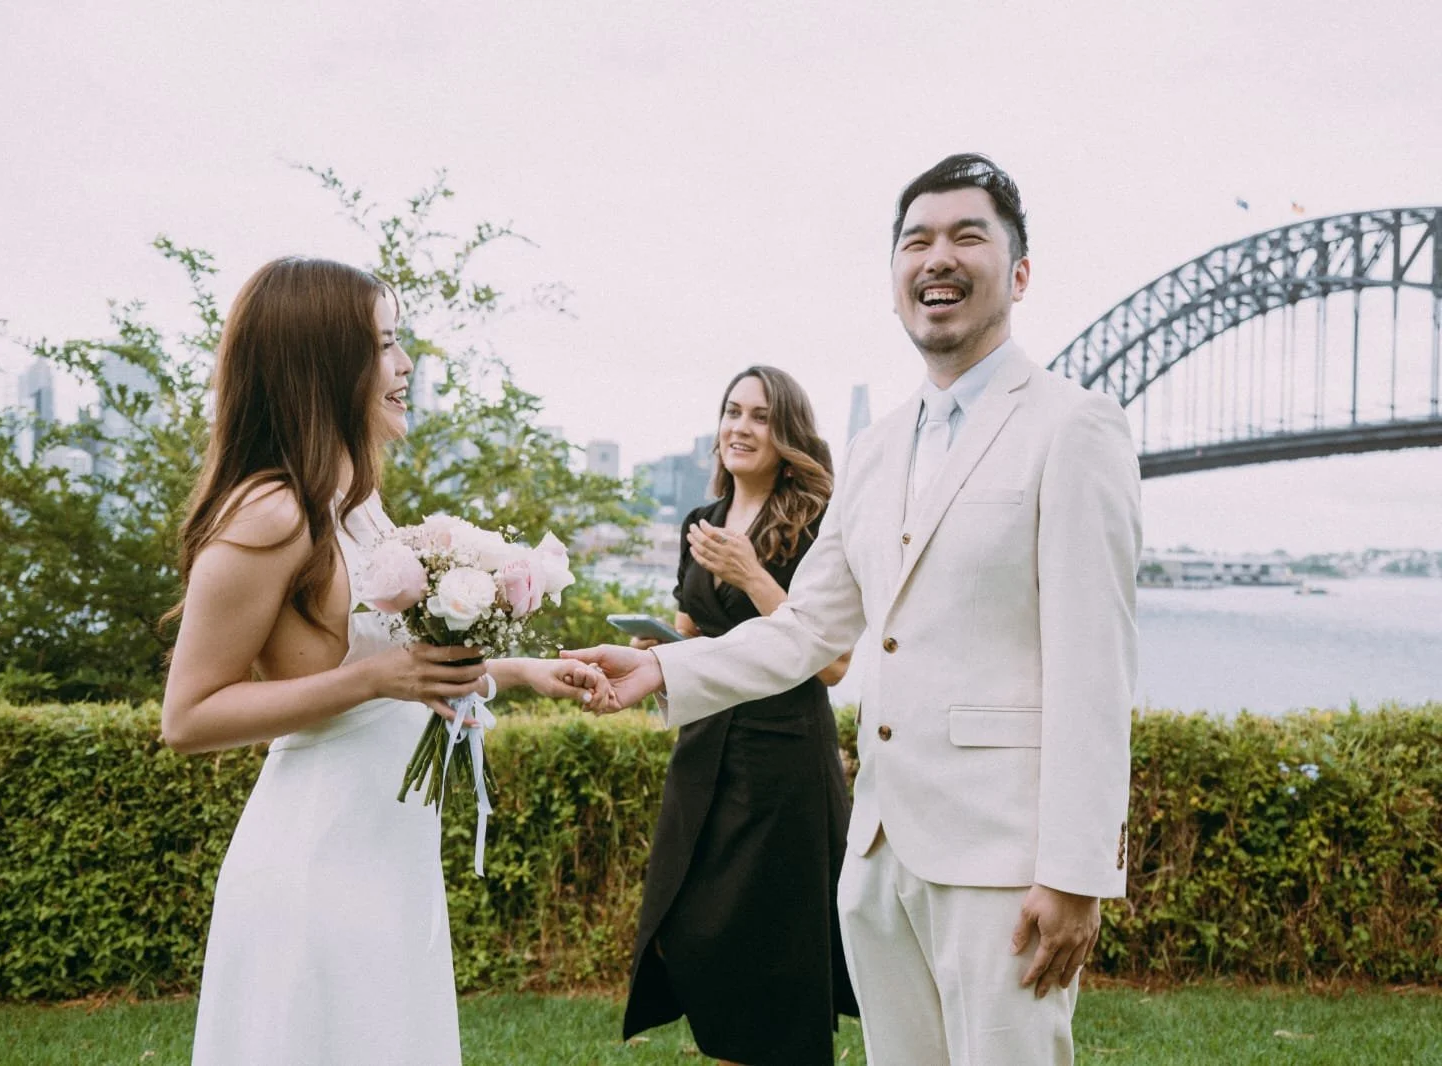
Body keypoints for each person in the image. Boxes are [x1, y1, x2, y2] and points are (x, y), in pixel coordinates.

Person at [566, 154, 1142, 1066]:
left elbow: (1095, 667)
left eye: (967, 237)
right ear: (895, 278)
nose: (937, 258)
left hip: (1002, 865)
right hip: (877, 860)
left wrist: (1075, 875)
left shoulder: (1074, 428)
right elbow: (807, 629)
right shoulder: (874, 451)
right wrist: (664, 668)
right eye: (916, 240)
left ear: (1019, 273)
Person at [160, 256, 609, 1066]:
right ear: (324, 363)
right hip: (316, 861)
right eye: (386, 346)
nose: (405, 368)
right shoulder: (269, 513)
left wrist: (520, 671)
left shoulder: (354, 501)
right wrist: (370, 680)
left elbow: (397, 673)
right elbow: (188, 717)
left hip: (388, 852)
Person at [623, 366, 857, 1066]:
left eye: (759, 416)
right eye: (732, 412)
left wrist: (754, 573)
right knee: (692, 928)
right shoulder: (700, 524)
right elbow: (696, 632)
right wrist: (661, 649)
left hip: (783, 757)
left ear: (787, 436)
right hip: (705, 750)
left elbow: (832, 664)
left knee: (772, 950)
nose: (740, 428)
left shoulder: (813, 524)